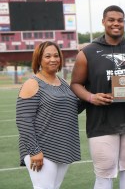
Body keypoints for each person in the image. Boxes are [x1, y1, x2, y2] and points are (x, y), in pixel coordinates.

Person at [70, 5, 125, 189]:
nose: (116, 24)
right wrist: (91, 97)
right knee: (104, 174)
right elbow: (75, 84)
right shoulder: (88, 52)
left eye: (120, 20)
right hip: (101, 123)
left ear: (124, 22)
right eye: (111, 20)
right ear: (103, 22)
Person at [16, 41, 81, 189]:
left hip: (62, 146)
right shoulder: (32, 83)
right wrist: (35, 151)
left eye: (56, 55)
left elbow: (72, 109)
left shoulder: (62, 82)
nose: (53, 59)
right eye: (47, 56)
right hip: (42, 148)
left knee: (53, 187)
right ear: (39, 59)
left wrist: (91, 94)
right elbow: (23, 121)